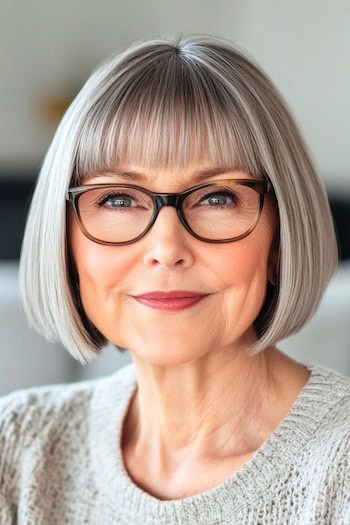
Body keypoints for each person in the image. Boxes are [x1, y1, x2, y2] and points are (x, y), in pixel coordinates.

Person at [0, 35, 349, 525]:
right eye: (118, 199)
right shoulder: (15, 448)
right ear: (65, 244)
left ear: (281, 237)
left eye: (217, 198)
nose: (167, 249)